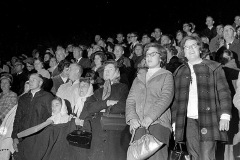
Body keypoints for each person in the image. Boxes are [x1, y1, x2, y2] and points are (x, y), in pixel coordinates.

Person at [171, 36, 232, 160]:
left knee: (206, 157)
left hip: (209, 118)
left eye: (193, 45)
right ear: (183, 51)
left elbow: (224, 93)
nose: (190, 49)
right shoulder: (179, 71)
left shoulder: (214, 67)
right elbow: (176, 101)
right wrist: (174, 123)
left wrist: (225, 115)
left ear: (200, 48)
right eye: (187, 47)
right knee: (193, 156)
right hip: (188, 121)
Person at [126, 43, 174, 160]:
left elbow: (166, 97)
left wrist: (150, 117)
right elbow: (130, 100)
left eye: (153, 54)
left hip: (158, 124)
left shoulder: (167, 75)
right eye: (147, 55)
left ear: (161, 57)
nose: (149, 57)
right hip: (138, 126)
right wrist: (132, 118)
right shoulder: (138, 79)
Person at [79, 60, 130, 160]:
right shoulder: (99, 91)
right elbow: (88, 107)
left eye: (110, 69)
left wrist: (101, 110)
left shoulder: (123, 88)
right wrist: (106, 103)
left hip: (114, 133)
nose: (106, 71)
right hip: (97, 133)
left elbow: (123, 105)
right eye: (105, 70)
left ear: (117, 72)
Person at [12, 73, 54, 157]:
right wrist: (14, 137)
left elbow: (52, 118)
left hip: (39, 138)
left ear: (40, 82)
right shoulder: (23, 98)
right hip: (23, 137)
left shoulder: (48, 97)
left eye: (33, 80)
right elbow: (17, 118)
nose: (30, 82)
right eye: (29, 80)